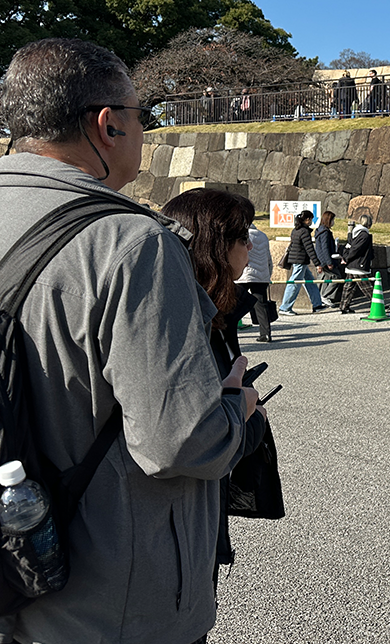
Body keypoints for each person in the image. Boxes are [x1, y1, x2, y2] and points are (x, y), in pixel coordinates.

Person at [0, 38, 255, 644]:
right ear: (107, 124)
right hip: (108, 606)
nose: (143, 131)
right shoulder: (130, 244)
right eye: (140, 117)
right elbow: (178, 442)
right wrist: (236, 410)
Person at [161, 189, 270, 587]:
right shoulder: (185, 325)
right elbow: (192, 441)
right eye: (243, 236)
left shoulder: (214, 311)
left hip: (197, 514)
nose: (249, 244)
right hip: (177, 525)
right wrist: (247, 413)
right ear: (214, 247)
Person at [278, 210, 329, 316]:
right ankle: (285, 307)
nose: (311, 221)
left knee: (310, 282)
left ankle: (317, 304)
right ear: (307, 219)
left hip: (299, 260)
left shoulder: (296, 230)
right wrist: (317, 263)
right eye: (311, 219)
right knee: (294, 284)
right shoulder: (304, 232)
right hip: (300, 261)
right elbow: (309, 249)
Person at [235, 221, 275, 343]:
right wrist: (268, 274)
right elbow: (268, 257)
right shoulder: (263, 235)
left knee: (236, 304)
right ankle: (266, 334)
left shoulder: (241, 235)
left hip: (244, 275)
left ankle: (231, 332)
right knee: (261, 305)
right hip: (261, 276)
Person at [339, 213, 375, 313]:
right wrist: (347, 258)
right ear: (368, 224)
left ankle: (343, 307)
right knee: (367, 288)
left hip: (351, 264)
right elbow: (356, 250)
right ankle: (378, 304)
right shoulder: (364, 235)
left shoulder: (354, 233)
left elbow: (349, 246)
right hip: (359, 264)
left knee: (348, 287)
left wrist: (345, 258)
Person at [315, 210, 344, 308]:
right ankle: (326, 296)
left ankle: (322, 297)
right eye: (333, 220)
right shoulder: (325, 233)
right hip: (325, 260)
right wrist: (329, 262)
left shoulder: (320, 231)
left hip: (321, 260)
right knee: (337, 277)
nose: (333, 222)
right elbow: (325, 248)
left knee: (325, 278)